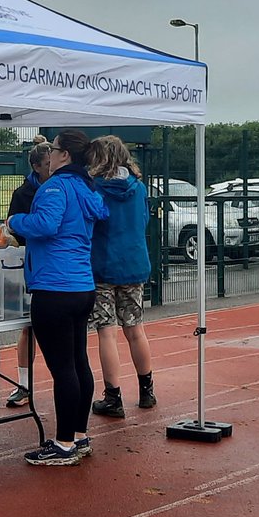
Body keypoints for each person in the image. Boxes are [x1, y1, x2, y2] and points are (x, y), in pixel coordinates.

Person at [7, 129, 108, 466]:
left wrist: (14, 221)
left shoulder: (55, 186)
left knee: (64, 368)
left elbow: (46, 225)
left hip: (54, 287)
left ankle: (64, 442)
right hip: (81, 286)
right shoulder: (85, 188)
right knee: (78, 362)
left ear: (63, 155)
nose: (47, 154)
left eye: (51, 149)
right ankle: (77, 435)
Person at [87, 135, 156, 418]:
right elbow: (144, 220)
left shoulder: (94, 189)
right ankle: (146, 390)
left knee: (106, 332)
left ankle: (113, 396)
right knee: (135, 328)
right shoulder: (138, 188)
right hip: (134, 263)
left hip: (103, 265)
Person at [4, 136, 54, 408]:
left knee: (60, 334)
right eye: (48, 164)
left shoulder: (64, 189)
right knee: (27, 329)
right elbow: (12, 230)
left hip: (56, 272)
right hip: (29, 268)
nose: (52, 167)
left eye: (54, 162)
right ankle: (24, 386)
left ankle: (69, 387)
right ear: (36, 166)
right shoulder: (22, 194)